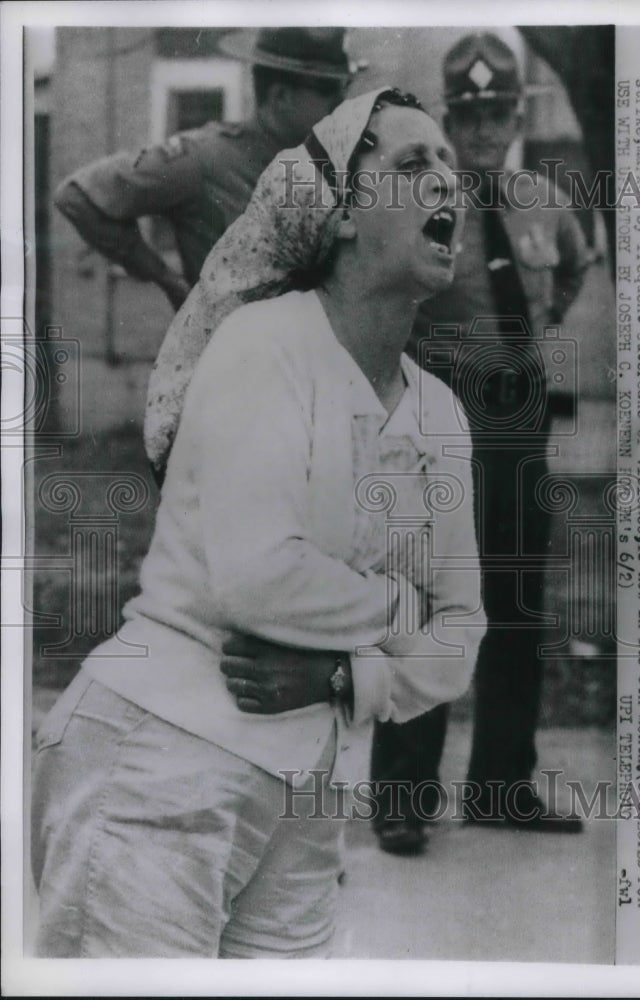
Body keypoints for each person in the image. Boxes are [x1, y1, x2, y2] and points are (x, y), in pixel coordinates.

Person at [31, 88, 484, 958]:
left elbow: (462, 639)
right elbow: (258, 579)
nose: (446, 183)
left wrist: (345, 682)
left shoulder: (440, 416)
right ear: (343, 213)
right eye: (411, 163)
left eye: (449, 166)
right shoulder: (263, 347)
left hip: (311, 789)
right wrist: (401, 613)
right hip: (158, 760)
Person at [370, 32, 590, 855]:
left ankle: (502, 785)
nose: (486, 128)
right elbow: (386, 299)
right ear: (447, 116)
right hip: (438, 417)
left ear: (516, 116)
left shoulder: (542, 198)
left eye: (500, 112)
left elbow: (566, 275)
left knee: (514, 604)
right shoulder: (416, 200)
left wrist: (521, 351)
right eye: (471, 114)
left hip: (518, 416)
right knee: (427, 602)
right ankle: (402, 796)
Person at [53, 27, 352, 311]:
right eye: (330, 92)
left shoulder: (328, 167)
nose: (342, 104)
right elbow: (77, 196)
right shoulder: (206, 157)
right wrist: (168, 281)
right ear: (281, 97)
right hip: (232, 357)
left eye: (345, 88)